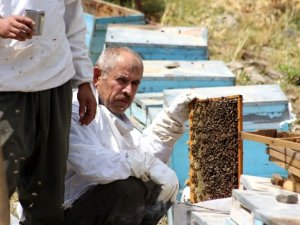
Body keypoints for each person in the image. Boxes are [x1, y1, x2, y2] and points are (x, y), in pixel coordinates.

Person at [64, 46, 196, 225]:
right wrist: (143, 165)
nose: (128, 90)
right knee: (129, 189)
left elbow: (144, 154)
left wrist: (171, 121)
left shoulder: (113, 115)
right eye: (122, 80)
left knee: (149, 183)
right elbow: (90, 162)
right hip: (62, 213)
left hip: (90, 209)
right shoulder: (76, 108)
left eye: (135, 83)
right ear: (97, 77)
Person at [0, 1, 97, 225]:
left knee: (47, 193)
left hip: (55, 85)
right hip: (6, 90)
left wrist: (83, 80)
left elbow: (73, 21)